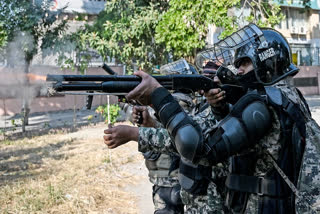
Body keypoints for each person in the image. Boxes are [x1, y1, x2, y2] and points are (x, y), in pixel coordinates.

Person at [124, 24, 312, 213]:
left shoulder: (261, 105)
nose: (238, 71)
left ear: (265, 60)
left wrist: (158, 96)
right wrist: (219, 109)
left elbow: (200, 149)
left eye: (244, 63)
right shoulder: (286, 96)